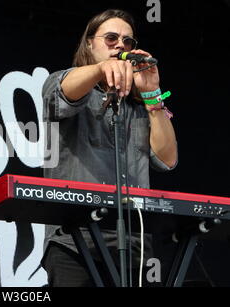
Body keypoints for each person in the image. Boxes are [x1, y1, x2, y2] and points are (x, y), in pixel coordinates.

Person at [41, 9, 178, 287]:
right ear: (90, 44)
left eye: (128, 42)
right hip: (76, 242)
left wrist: (152, 94)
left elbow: (168, 160)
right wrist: (103, 69)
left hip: (135, 246)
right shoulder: (67, 81)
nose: (120, 46)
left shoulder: (140, 107)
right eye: (111, 38)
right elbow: (61, 94)